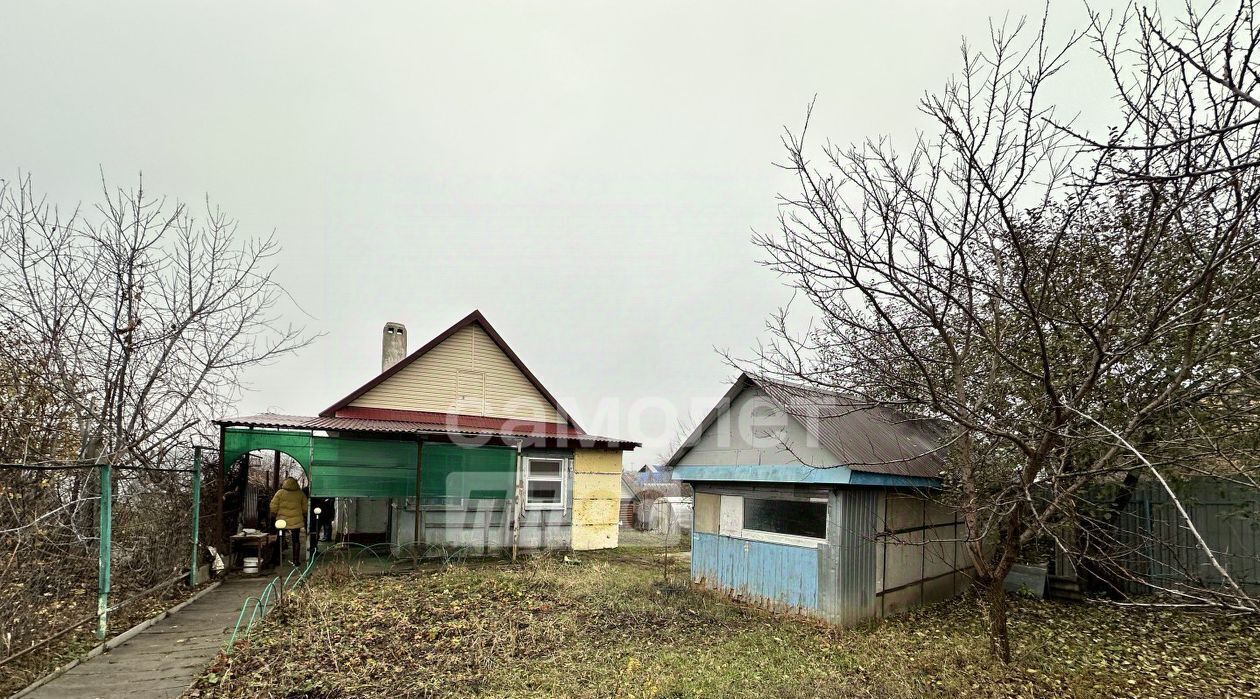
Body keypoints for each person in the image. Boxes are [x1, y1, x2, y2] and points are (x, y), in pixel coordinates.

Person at [268, 477, 308, 565]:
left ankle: (276, 559)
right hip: (296, 521)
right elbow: (305, 507)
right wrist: (304, 514)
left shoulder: (280, 493)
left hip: (282, 521)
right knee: (296, 539)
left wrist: (274, 514)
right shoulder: (300, 493)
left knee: (280, 539)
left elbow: (273, 505)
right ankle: (296, 560)